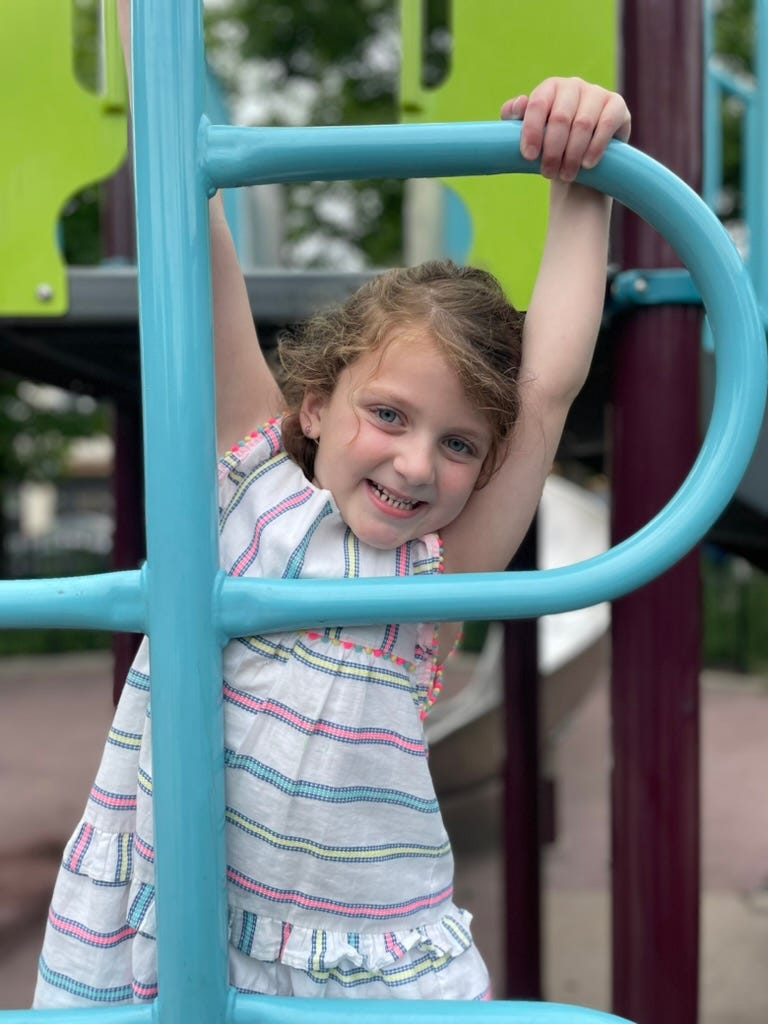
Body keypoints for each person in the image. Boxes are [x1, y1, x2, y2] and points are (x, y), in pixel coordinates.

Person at [33, 1, 631, 1007]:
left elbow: (546, 388)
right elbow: (201, 244)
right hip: (172, 904)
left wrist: (585, 178)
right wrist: (149, 35)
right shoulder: (254, 479)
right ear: (317, 402)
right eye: (388, 414)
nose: (413, 462)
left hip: (358, 951)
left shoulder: (437, 578)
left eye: (457, 445)